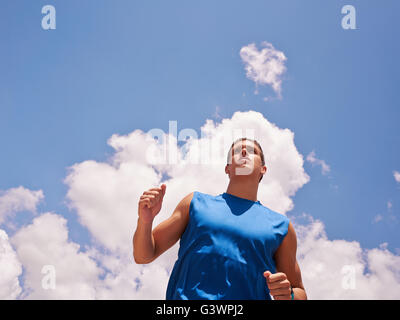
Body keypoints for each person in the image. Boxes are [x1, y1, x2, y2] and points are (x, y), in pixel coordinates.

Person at [133, 137, 307, 300]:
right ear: (227, 168)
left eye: (252, 151)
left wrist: (289, 294)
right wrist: (145, 221)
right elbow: (143, 256)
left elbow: (299, 291)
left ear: (263, 169)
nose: (244, 153)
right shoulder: (194, 202)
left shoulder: (282, 227)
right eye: (237, 151)